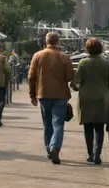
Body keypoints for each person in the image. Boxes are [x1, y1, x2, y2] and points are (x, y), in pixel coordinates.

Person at [28, 32, 75, 164]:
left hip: (43, 94)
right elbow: (70, 77)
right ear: (58, 42)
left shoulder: (37, 56)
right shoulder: (64, 57)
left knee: (47, 124)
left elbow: (31, 77)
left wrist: (32, 95)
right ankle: (55, 146)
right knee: (58, 123)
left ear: (46, 41)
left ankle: (49, 149)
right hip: (60, 95)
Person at [72, 38, 109, 165]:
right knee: (99, 127)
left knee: (88, 127)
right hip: (102, 97)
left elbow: (76, 80)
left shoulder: (83, 62)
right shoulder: (106, 63)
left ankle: (90, 154)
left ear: (87, 49)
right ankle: (98, 154)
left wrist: (75, 88)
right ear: (100, 49)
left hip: (86, 97)